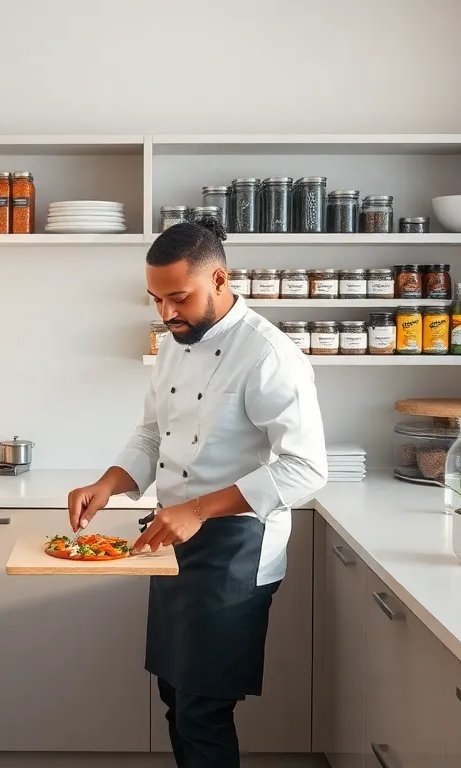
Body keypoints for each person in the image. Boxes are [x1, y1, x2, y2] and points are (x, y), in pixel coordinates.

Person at [66, 218, 328, 768]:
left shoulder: (267, 354)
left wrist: (199, 509)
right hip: (172, 535)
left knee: (202, 709)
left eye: (178, 298)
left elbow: (307, 469)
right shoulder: (171, 346)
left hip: (236, 546)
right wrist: (109, 483)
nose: (166, 313)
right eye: (156, 300)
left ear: (220, 278)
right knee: (174, 696)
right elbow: (151, 433)